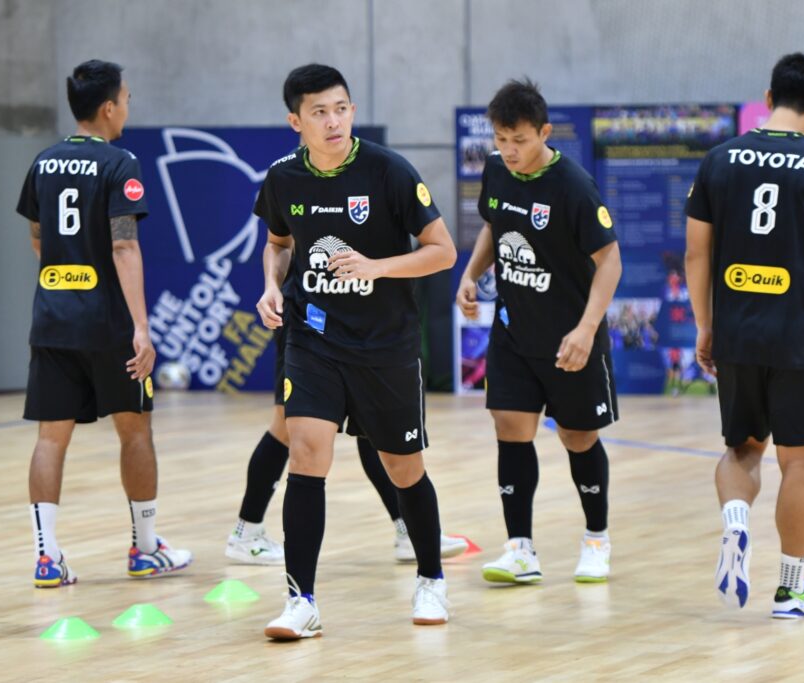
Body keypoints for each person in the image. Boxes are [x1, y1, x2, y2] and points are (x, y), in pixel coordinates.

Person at [254, 63, 457, 639]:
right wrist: (271, 284)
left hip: (386, 345)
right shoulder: (283, 178)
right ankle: (301, 601)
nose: (333, 121)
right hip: (313, 337)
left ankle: (431, 578)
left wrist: (377, 267)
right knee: (306, 452)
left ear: (353, 111)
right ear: (296, 121)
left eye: (341, 108)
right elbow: (278, 243)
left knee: (402, 467)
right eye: (319, 112)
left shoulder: (389, 171)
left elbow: (442, 251)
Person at [685, 52, 804, 618]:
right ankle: (791, 589)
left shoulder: (719, 160)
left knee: (742, 449)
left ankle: (736, 520)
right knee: (799, 464)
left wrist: (706, 325)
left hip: (738, 334)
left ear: (767, 98)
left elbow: (696, 253)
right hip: (799, 339)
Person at [16, 59, 191, 587]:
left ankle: (47, 558)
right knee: (134, 431)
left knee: (50, 439)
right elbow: (123, 245)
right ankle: (144, 549)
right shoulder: (120, 163)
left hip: (52, 320)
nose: (128, 109)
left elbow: (38, 238)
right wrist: (141, 326)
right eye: (127, 100)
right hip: (109, 323)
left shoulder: (44, 162)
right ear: (109, 107)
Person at [456, 79, 622, 586]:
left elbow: (610, 261)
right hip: (513, 331)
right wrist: (471, 273)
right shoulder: (496, 170)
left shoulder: (573, 186)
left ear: (544, 133)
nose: (509, 150)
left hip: (570, 337)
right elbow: (493, 225)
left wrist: (586, 330)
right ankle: (520, 548)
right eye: (501, 139)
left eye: (519, 140)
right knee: (509, 426)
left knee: (578, 436)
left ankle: (596, 539)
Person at [227, 261, 467, 565]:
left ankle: (407, 529)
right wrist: (273, 286)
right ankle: (246, 530)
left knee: (373, 427)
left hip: (358, 317)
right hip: (310, 319)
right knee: (286, 425)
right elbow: (279, 242)